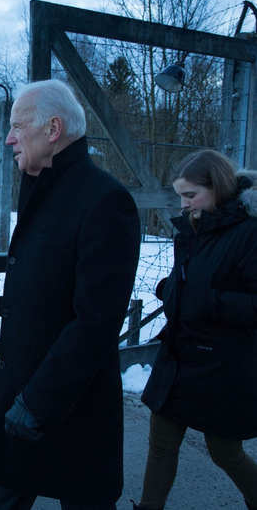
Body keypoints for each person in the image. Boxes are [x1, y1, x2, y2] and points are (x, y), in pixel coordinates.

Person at [0, 79, 140, 510]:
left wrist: (36, 401)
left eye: (17, 126)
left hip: (67, 404)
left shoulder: (106, 201)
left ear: (52, 130)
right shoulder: (40, 187)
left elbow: (97, 321)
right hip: (23, 394)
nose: (9, 137)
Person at [133, 151, 257, 510]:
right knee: (161, 444)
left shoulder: (249, 233)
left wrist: (208, 301)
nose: (184, 204)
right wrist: (171, 290)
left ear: (216, 188)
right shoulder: (193, 229)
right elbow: (193, 278)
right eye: (181, 196)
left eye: (191, 195)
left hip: (224, 365)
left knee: (225, 452)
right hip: (179, 355)